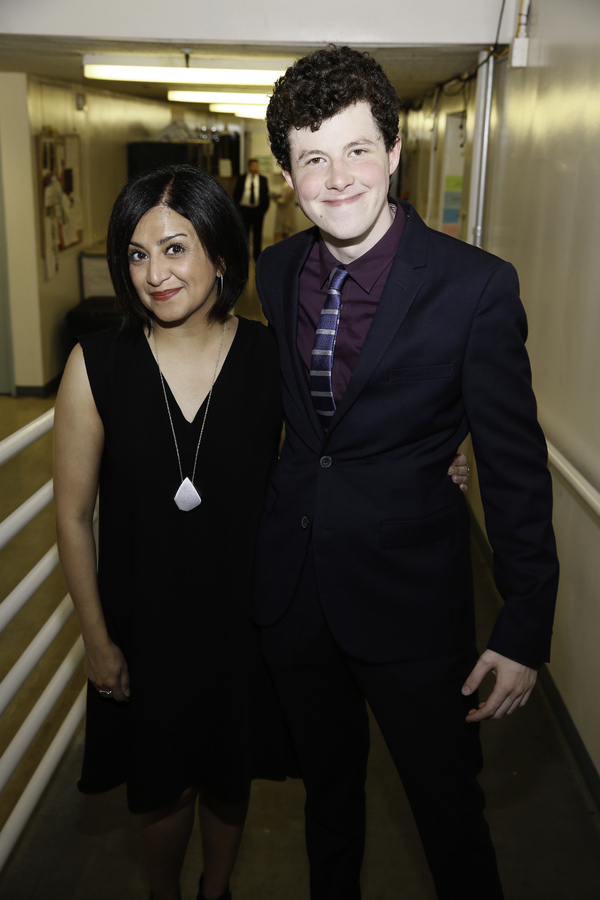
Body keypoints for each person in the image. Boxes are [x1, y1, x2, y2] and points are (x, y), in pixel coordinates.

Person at [252, 45, 559, 899]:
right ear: (289, 174)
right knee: (328, 805)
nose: (337, 177)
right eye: (314, 158)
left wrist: (524, 625)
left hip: (413, 610)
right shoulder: (276, 274)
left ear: (394, 152)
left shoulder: (476, 290)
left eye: (357, 150)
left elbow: (515, 464)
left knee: (448, 817)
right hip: (296, 599)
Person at [53, 164, 289, 900]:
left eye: (176, 248)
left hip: (239, 619)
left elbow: (330, 465)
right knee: (162, 788)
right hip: (142, 623)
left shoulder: (268, 360)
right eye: (136, 253)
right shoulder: (96, 365)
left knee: (228, 774)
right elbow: (71, 513)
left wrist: (433, 467)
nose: (155, 273)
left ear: (220, 250)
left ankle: (215, 891)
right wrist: (96, 638)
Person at [233, 158, 270, 262]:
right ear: (249, 166)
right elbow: (236, 194)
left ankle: (257, 256)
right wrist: (237, 209)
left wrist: (264, 209)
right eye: (253, 165)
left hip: (258, 211)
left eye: (256, 165)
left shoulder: (263, 179)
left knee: (257, 234)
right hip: (244, 210)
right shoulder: (242, 178)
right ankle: (245, 255)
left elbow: (265, 195)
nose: (255, 167)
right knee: (244, 234)